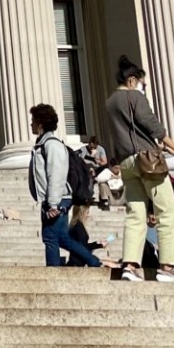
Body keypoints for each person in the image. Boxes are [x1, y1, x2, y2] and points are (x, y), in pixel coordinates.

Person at [102, 57, 174, 283]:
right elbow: (153, 126)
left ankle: (130, 266)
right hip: (147, 159)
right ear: (132, 80)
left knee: (135, 214)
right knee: (167, 212)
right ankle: (168, 266)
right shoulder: (135, 97)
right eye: (142, 83)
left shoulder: (110, 101)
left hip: (126, 161)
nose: (143, 87)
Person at [29, 104, 100, 268]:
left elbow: (56, 175)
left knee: (50, 237)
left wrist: (53, 203)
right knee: (60, 237)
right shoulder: (44, 144)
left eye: (33, 121)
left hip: (58, 198)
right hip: (56, 198)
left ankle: (54, 271)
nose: (31, 124)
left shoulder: (52, 145)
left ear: (40, 123)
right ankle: (93, 261)